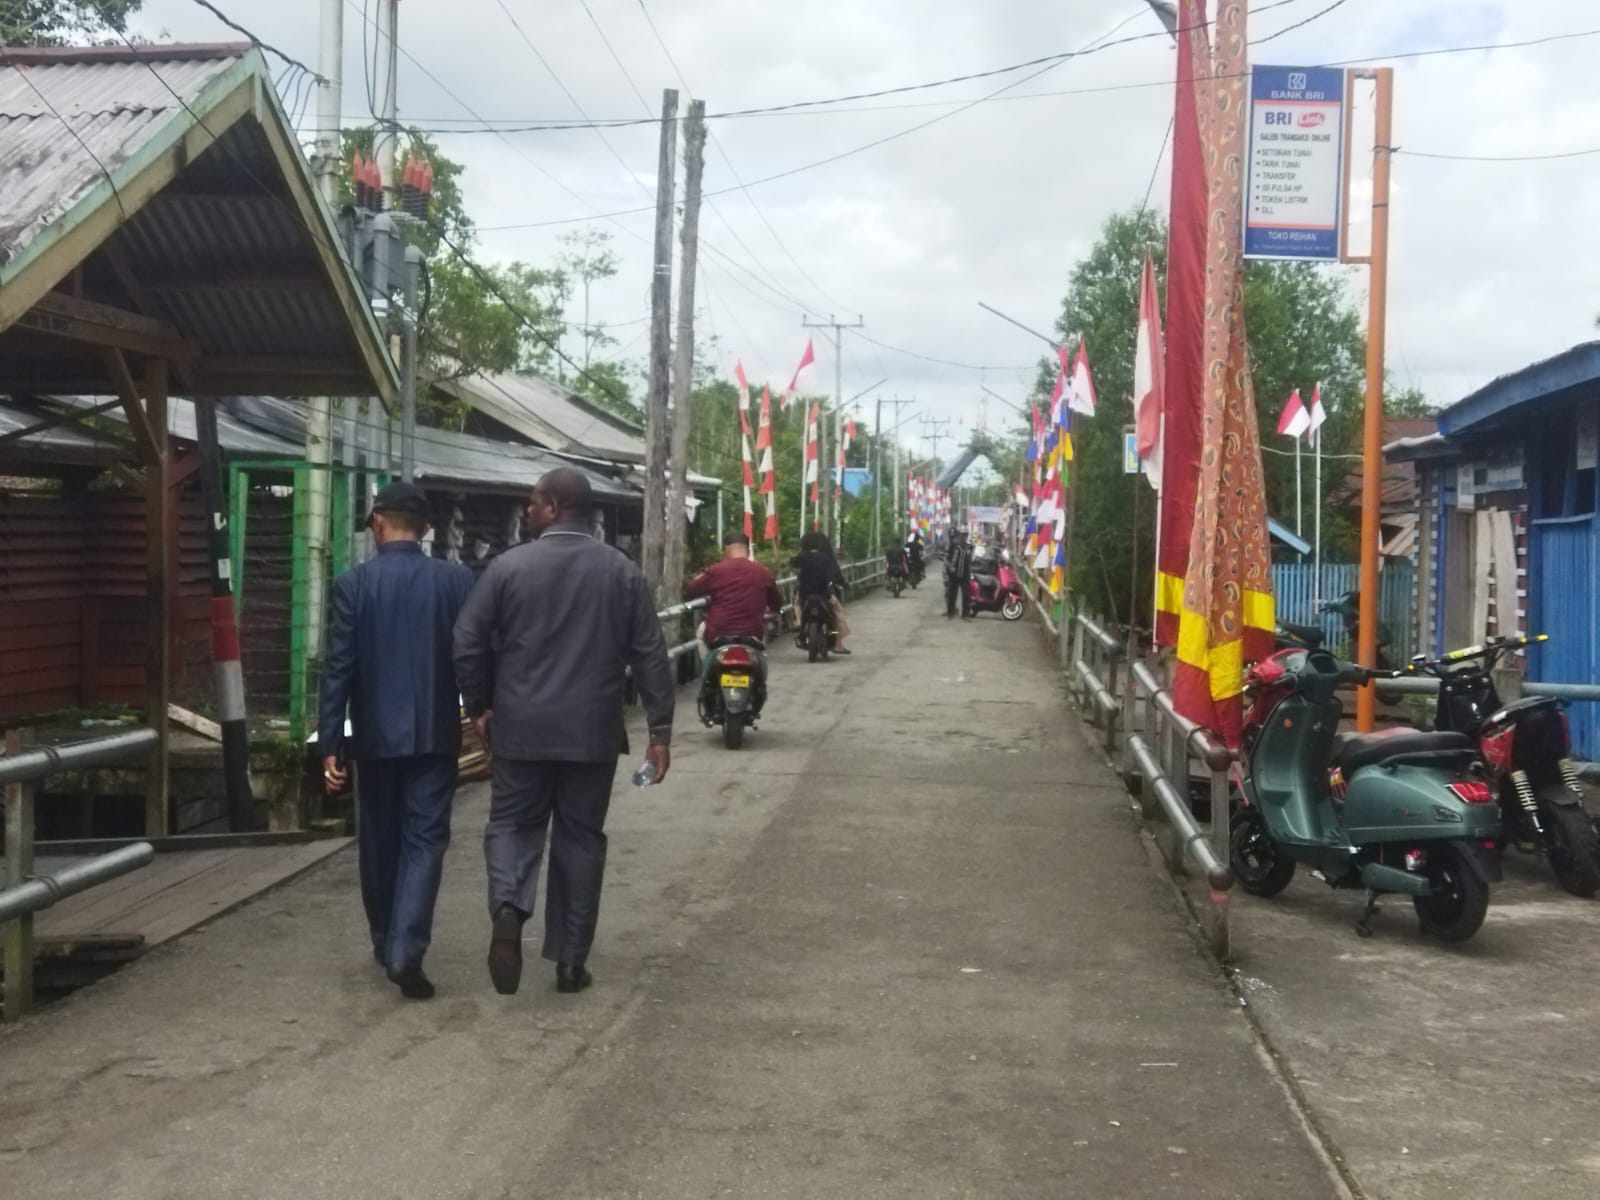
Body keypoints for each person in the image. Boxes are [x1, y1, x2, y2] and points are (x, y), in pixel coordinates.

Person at [453, 468, 674, 998]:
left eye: (532, 503)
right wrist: (660, 730)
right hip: (591, 735)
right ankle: (571, 964)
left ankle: (509, 907)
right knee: (580, 842)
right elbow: (650, 654)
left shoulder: (508, 569)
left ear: (553, 506)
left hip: (520, 730)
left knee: (510, 825)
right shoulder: (620, 573)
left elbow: (466, 639)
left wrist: (480, 706)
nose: (527, 511)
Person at [319, 481, 474, 1000]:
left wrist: (329, 745)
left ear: (378, 524)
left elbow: (337, 670)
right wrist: (481, 711)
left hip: (375, 738)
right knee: (425, 840)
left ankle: (387, 941)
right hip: (436, 734)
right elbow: (472, 658)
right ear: (426, 530)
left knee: (379, 841)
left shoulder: (352, 586)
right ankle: (407, 950)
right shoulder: (456, 583)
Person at [791, 532, 848, 654]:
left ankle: (799, 621)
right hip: (823, 594)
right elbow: (830, 576)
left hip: (805, 594)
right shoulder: (826, 557)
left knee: (796, 602)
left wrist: (798, 553)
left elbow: (792, 563)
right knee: (838, 613)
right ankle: (838, 643)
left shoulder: (802, 556)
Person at [945, 527, 974, 619]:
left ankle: (965, 614)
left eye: (966, 534)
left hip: (965, 575)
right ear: (960, 535)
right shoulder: (954, 545)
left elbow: (972, 560)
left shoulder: (970, 547)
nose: (965, 536)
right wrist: (949, 567)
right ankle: (951, 612)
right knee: (952, 594)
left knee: (966, 594)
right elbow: (946, 557)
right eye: (963, 534)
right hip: (954, 574)